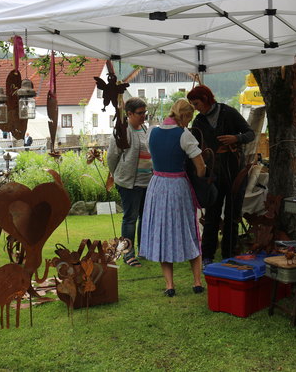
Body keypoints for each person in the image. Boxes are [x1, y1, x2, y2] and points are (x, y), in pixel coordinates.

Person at [140, 99, 207, 297]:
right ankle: (196, 282)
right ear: (185, 116)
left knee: (162, 232)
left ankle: (170, 286)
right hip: (177, 186)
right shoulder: (184, 135)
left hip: (157, 185)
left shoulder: (151, 131)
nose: (189, 122)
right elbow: (201, 168)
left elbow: (154, 155)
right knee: (188, 229)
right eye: (189, 118)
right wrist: (200, 177)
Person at [187, 84, 255, 266]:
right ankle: (207, 256)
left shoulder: (228, 112)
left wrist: (236, 138)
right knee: (211, 216)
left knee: (233, 215)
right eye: (192, 105)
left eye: (196, 103)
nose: (195, 108)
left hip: (235, 171)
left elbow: (250, 133)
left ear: (205, 98)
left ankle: (229, 255)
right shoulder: (199, 121)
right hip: (213, 173)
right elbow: (194, 145)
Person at [107, 97, 152, 267]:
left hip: (147, 182)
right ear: (129, 114)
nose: (143, 116)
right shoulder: (123, 130)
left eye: (144, 113)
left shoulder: (144, 128)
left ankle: (144, 250)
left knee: (145, 218)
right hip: (129, 184)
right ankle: (128, 254)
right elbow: (112, 157)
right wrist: (117, 175)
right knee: (130, 219)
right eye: (140, 113)